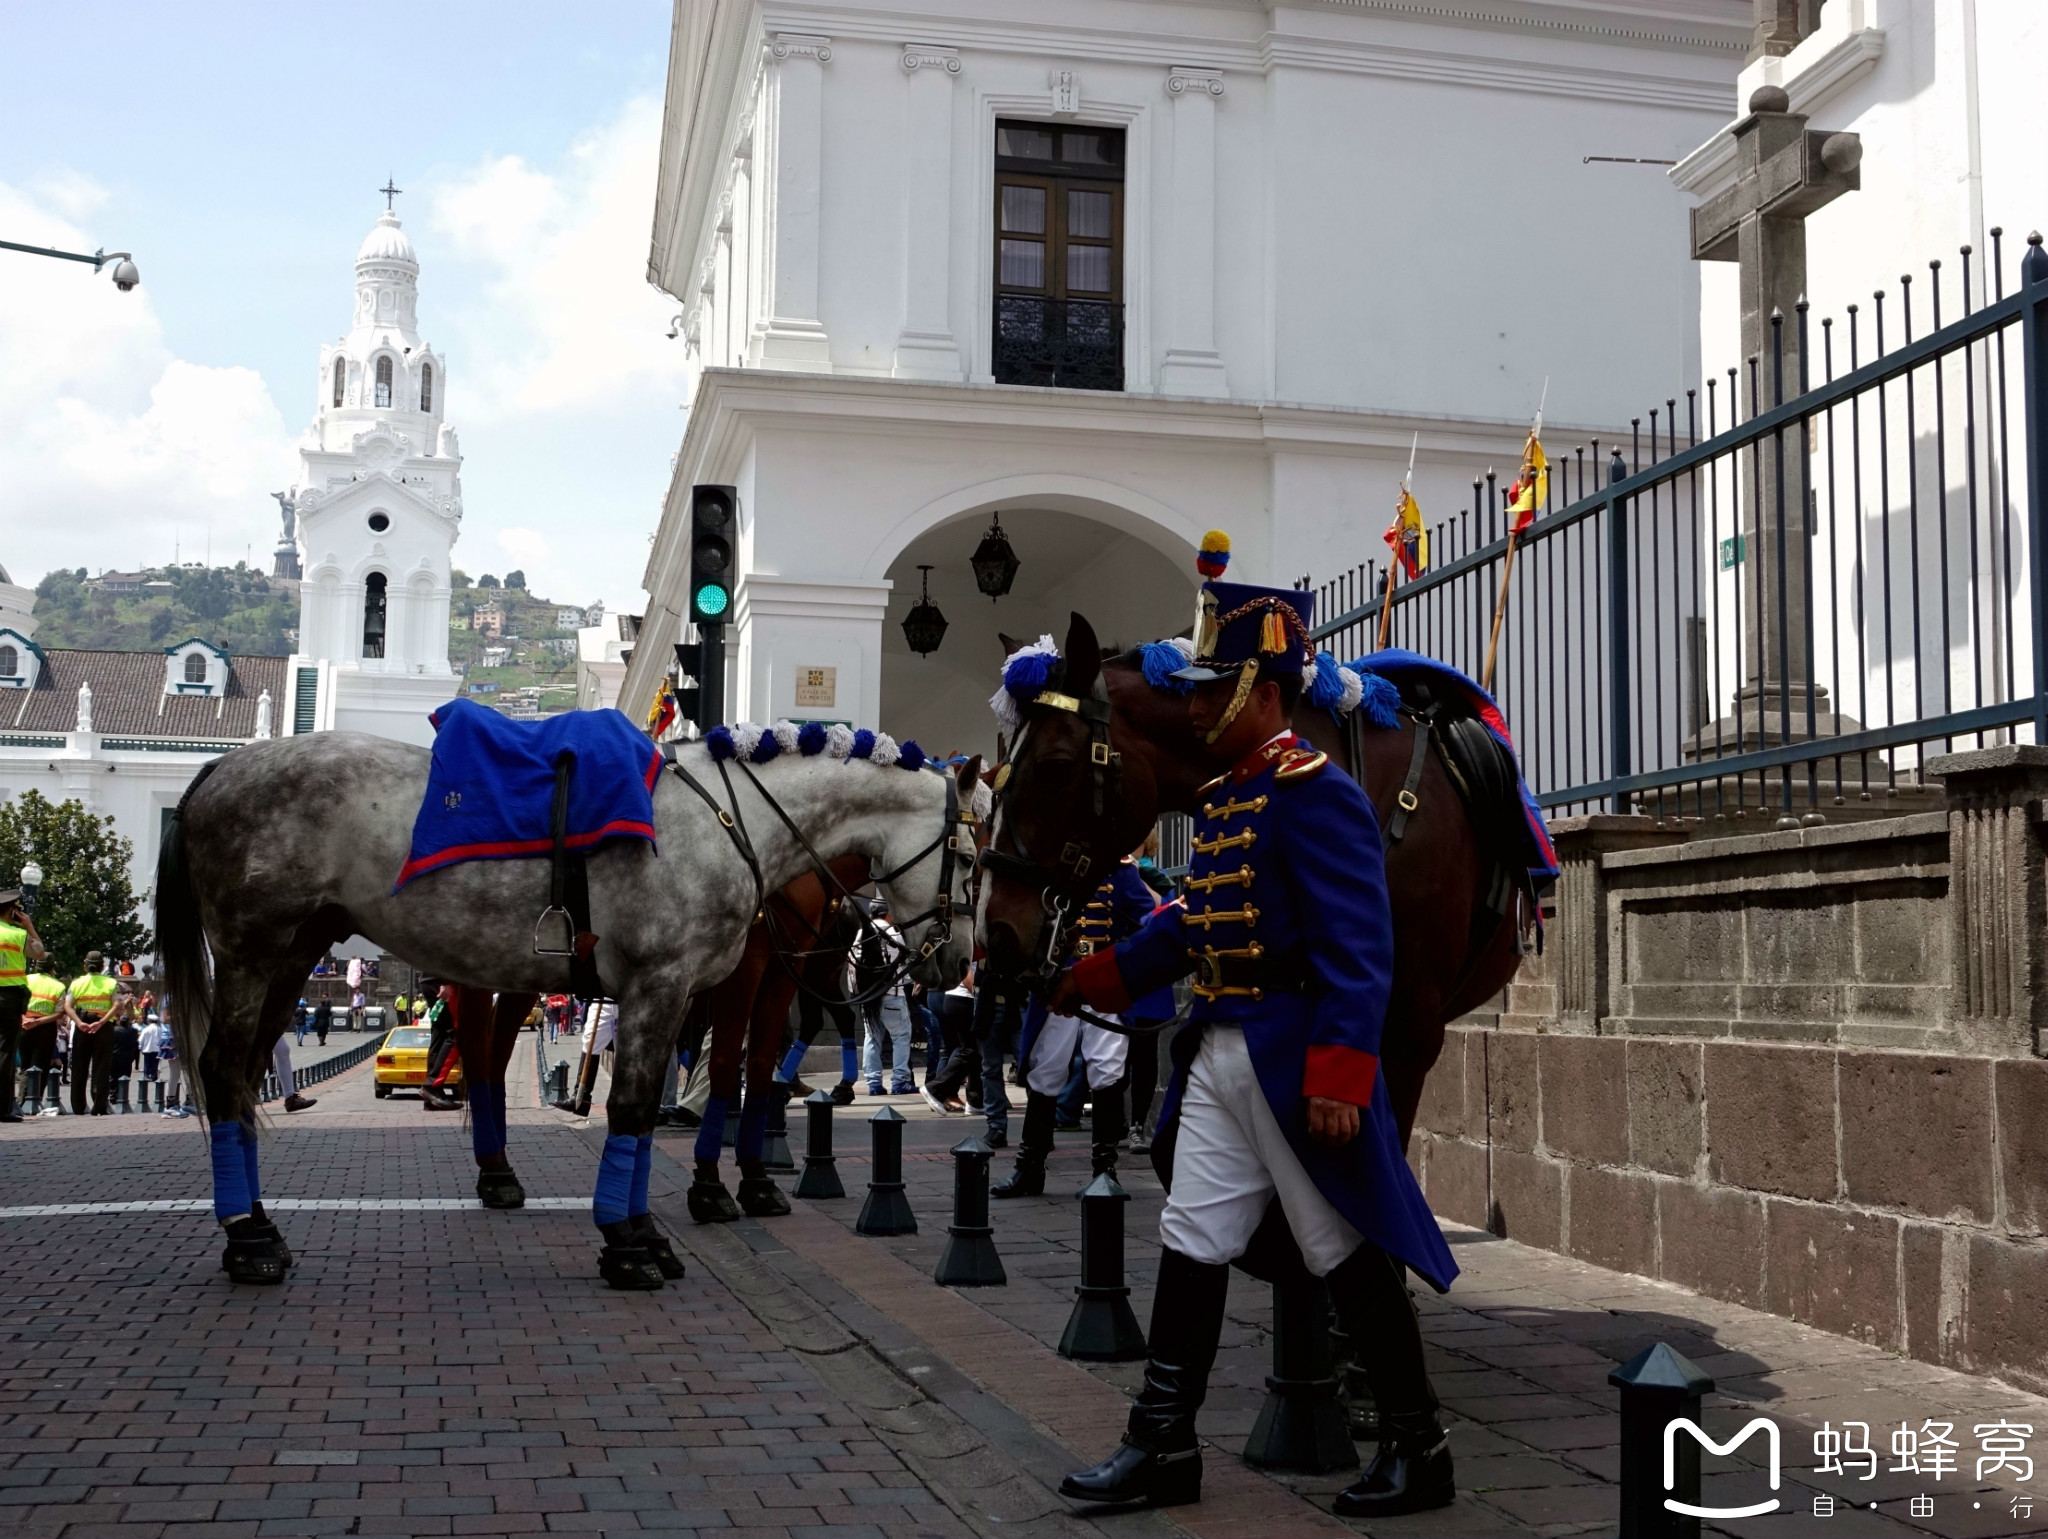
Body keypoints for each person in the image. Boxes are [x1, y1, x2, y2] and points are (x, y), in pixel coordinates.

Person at [1048, 573, 1458, 1517]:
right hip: (1224, 1048)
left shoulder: (1317, 793)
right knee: (1191, 1234)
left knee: (1341, 1244)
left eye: (1209, 685)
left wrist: (1344, 1072)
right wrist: (1090, 979)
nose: (1192, 703)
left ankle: (1415, 1441)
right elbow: (1192, 923)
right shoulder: (1233, 797)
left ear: (1263, 692)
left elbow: (1362, 950)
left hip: (1292, 1055)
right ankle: (1162, 1442)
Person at [990, 856, 1155, 1198]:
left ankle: (1104, 1171)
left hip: (1103, 982)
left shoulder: (1120, 871)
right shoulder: (1047, 865)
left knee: (1107, 1071)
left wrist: (1124, 957)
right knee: (1045, 1071)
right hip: (1056, 980)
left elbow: (1144, 917)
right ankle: (1029, 1168)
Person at [0, 887, 49, 1122]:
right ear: (12, 911)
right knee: (5, 1053)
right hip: (8, 999)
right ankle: (3, 1107)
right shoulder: (16, 935)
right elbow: (40, 953)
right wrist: (28, 925)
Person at [65, 951, 126, 1115]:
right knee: (101, 1067)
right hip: (103, 1028)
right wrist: (101, 1022)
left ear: (85, 965)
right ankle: (99, 1106)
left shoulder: (76, 983)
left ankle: (78, 1106)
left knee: (79, 1068)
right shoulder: (110, 983)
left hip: (82, 1026)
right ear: (102, 966)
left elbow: (68, 1006)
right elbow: (117, 1005)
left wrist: (79, 1022)